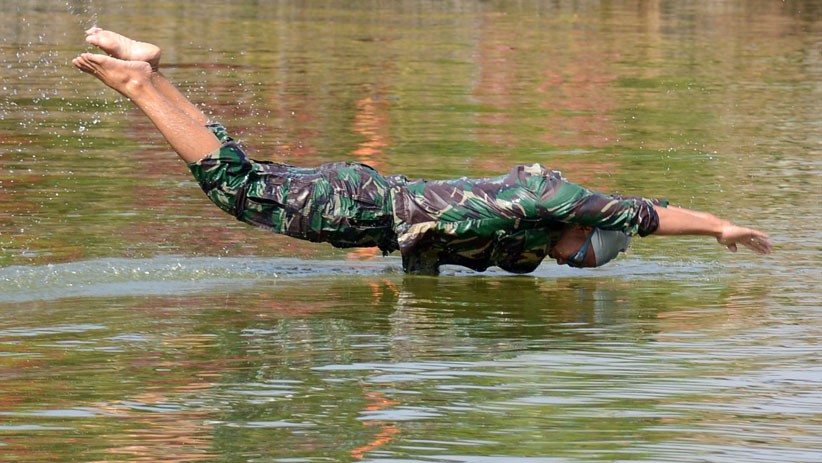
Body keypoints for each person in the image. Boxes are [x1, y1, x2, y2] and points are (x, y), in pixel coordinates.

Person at [72, 28, 772, 275]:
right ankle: (139, 81)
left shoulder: (522, 249)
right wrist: (717, 226)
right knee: (239, 192)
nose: (576, 264)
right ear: (584, 231)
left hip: (368, 206)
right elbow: (644, 212)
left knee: (245, 181)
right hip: (363, 204)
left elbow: (429, 260)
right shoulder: (552, 200)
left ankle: (148, 70)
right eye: (585, 256)